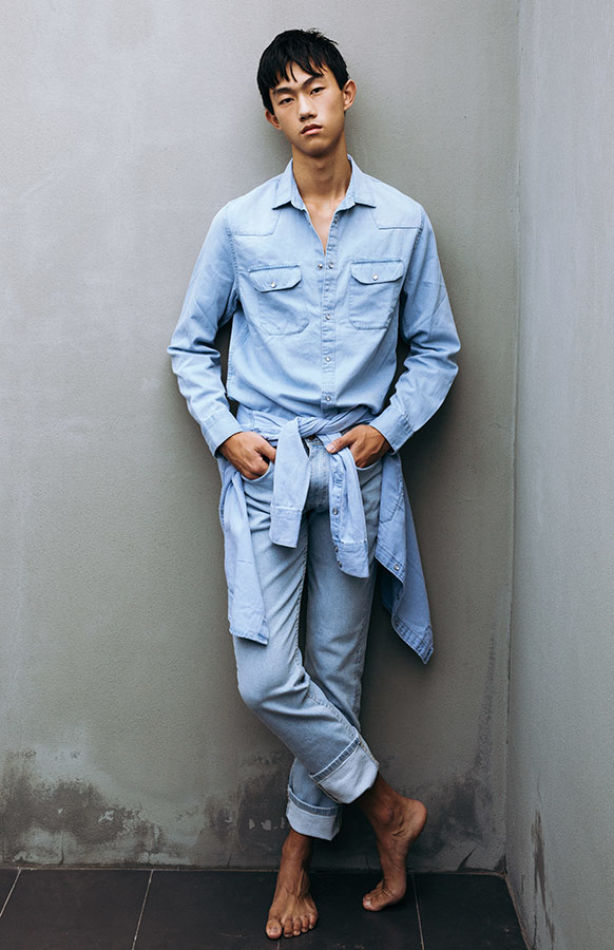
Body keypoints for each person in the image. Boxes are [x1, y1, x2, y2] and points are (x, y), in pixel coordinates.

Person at [168, 28, 460, 941]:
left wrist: (387, 428)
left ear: (347, 93)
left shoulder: (405, 221)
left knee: (332, 677)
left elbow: (436, 352)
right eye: (286, 96)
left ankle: (294, 862)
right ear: (271, 116)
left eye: (317, 87)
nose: (305, 107)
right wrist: (226, 435)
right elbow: (189, 346)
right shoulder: (238, 224)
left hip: (356, 481)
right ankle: (387, 809)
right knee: (267, 677)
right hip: (270, 478)